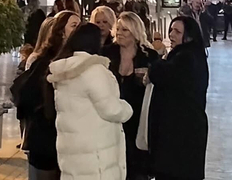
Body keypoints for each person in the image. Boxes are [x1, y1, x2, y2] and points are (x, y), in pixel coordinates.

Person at [49, 23, 133, 180]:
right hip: (96, 157)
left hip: (73, 153)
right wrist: (127, 108)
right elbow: (111, 109)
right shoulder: (94, 71)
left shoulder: (65, 70)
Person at [146, 14, 209, 180]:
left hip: (179, 138)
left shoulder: (186, 57)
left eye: (177, 32)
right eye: (171, 30)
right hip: (183, 134)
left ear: (188, 36)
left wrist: (156, 57)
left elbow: (161, 75)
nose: (171, 35)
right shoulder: (191, 54)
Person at [13, 15, 73, 180]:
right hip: (45, 135)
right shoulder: (40, 61)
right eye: (73, 25)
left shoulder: (75, 60)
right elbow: (27, 97)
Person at [109, 12, 159, 180]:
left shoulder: (148, 57)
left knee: (137, 172)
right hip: (111, 122)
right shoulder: (107, 54)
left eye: (125, 30)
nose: (119, 33)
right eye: (118, 28)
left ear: (135, 33)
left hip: (138, 122)